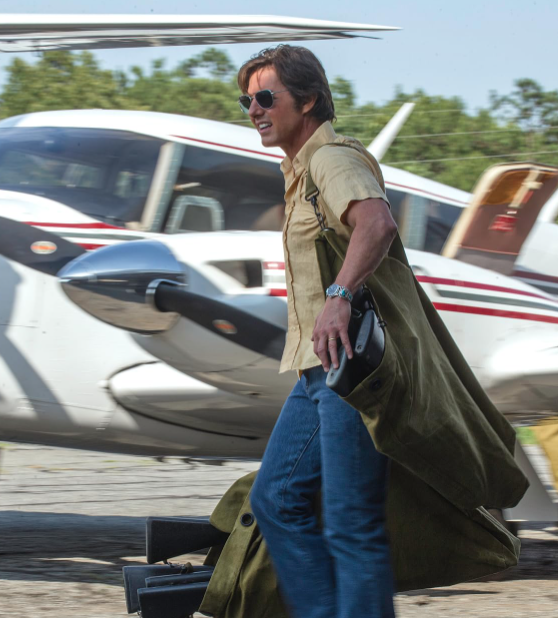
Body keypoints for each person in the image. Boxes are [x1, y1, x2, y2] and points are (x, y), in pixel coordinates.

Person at [239, 45, 399, 618]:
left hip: (347, 367)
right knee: (276, 500)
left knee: (352, 521)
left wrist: (340, 295)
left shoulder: (331, 159)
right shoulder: (299, 171)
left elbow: (376, 223)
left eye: (265, 97)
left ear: (307, 99)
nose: (253, 109)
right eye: (247, 100)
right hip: (316, 370)